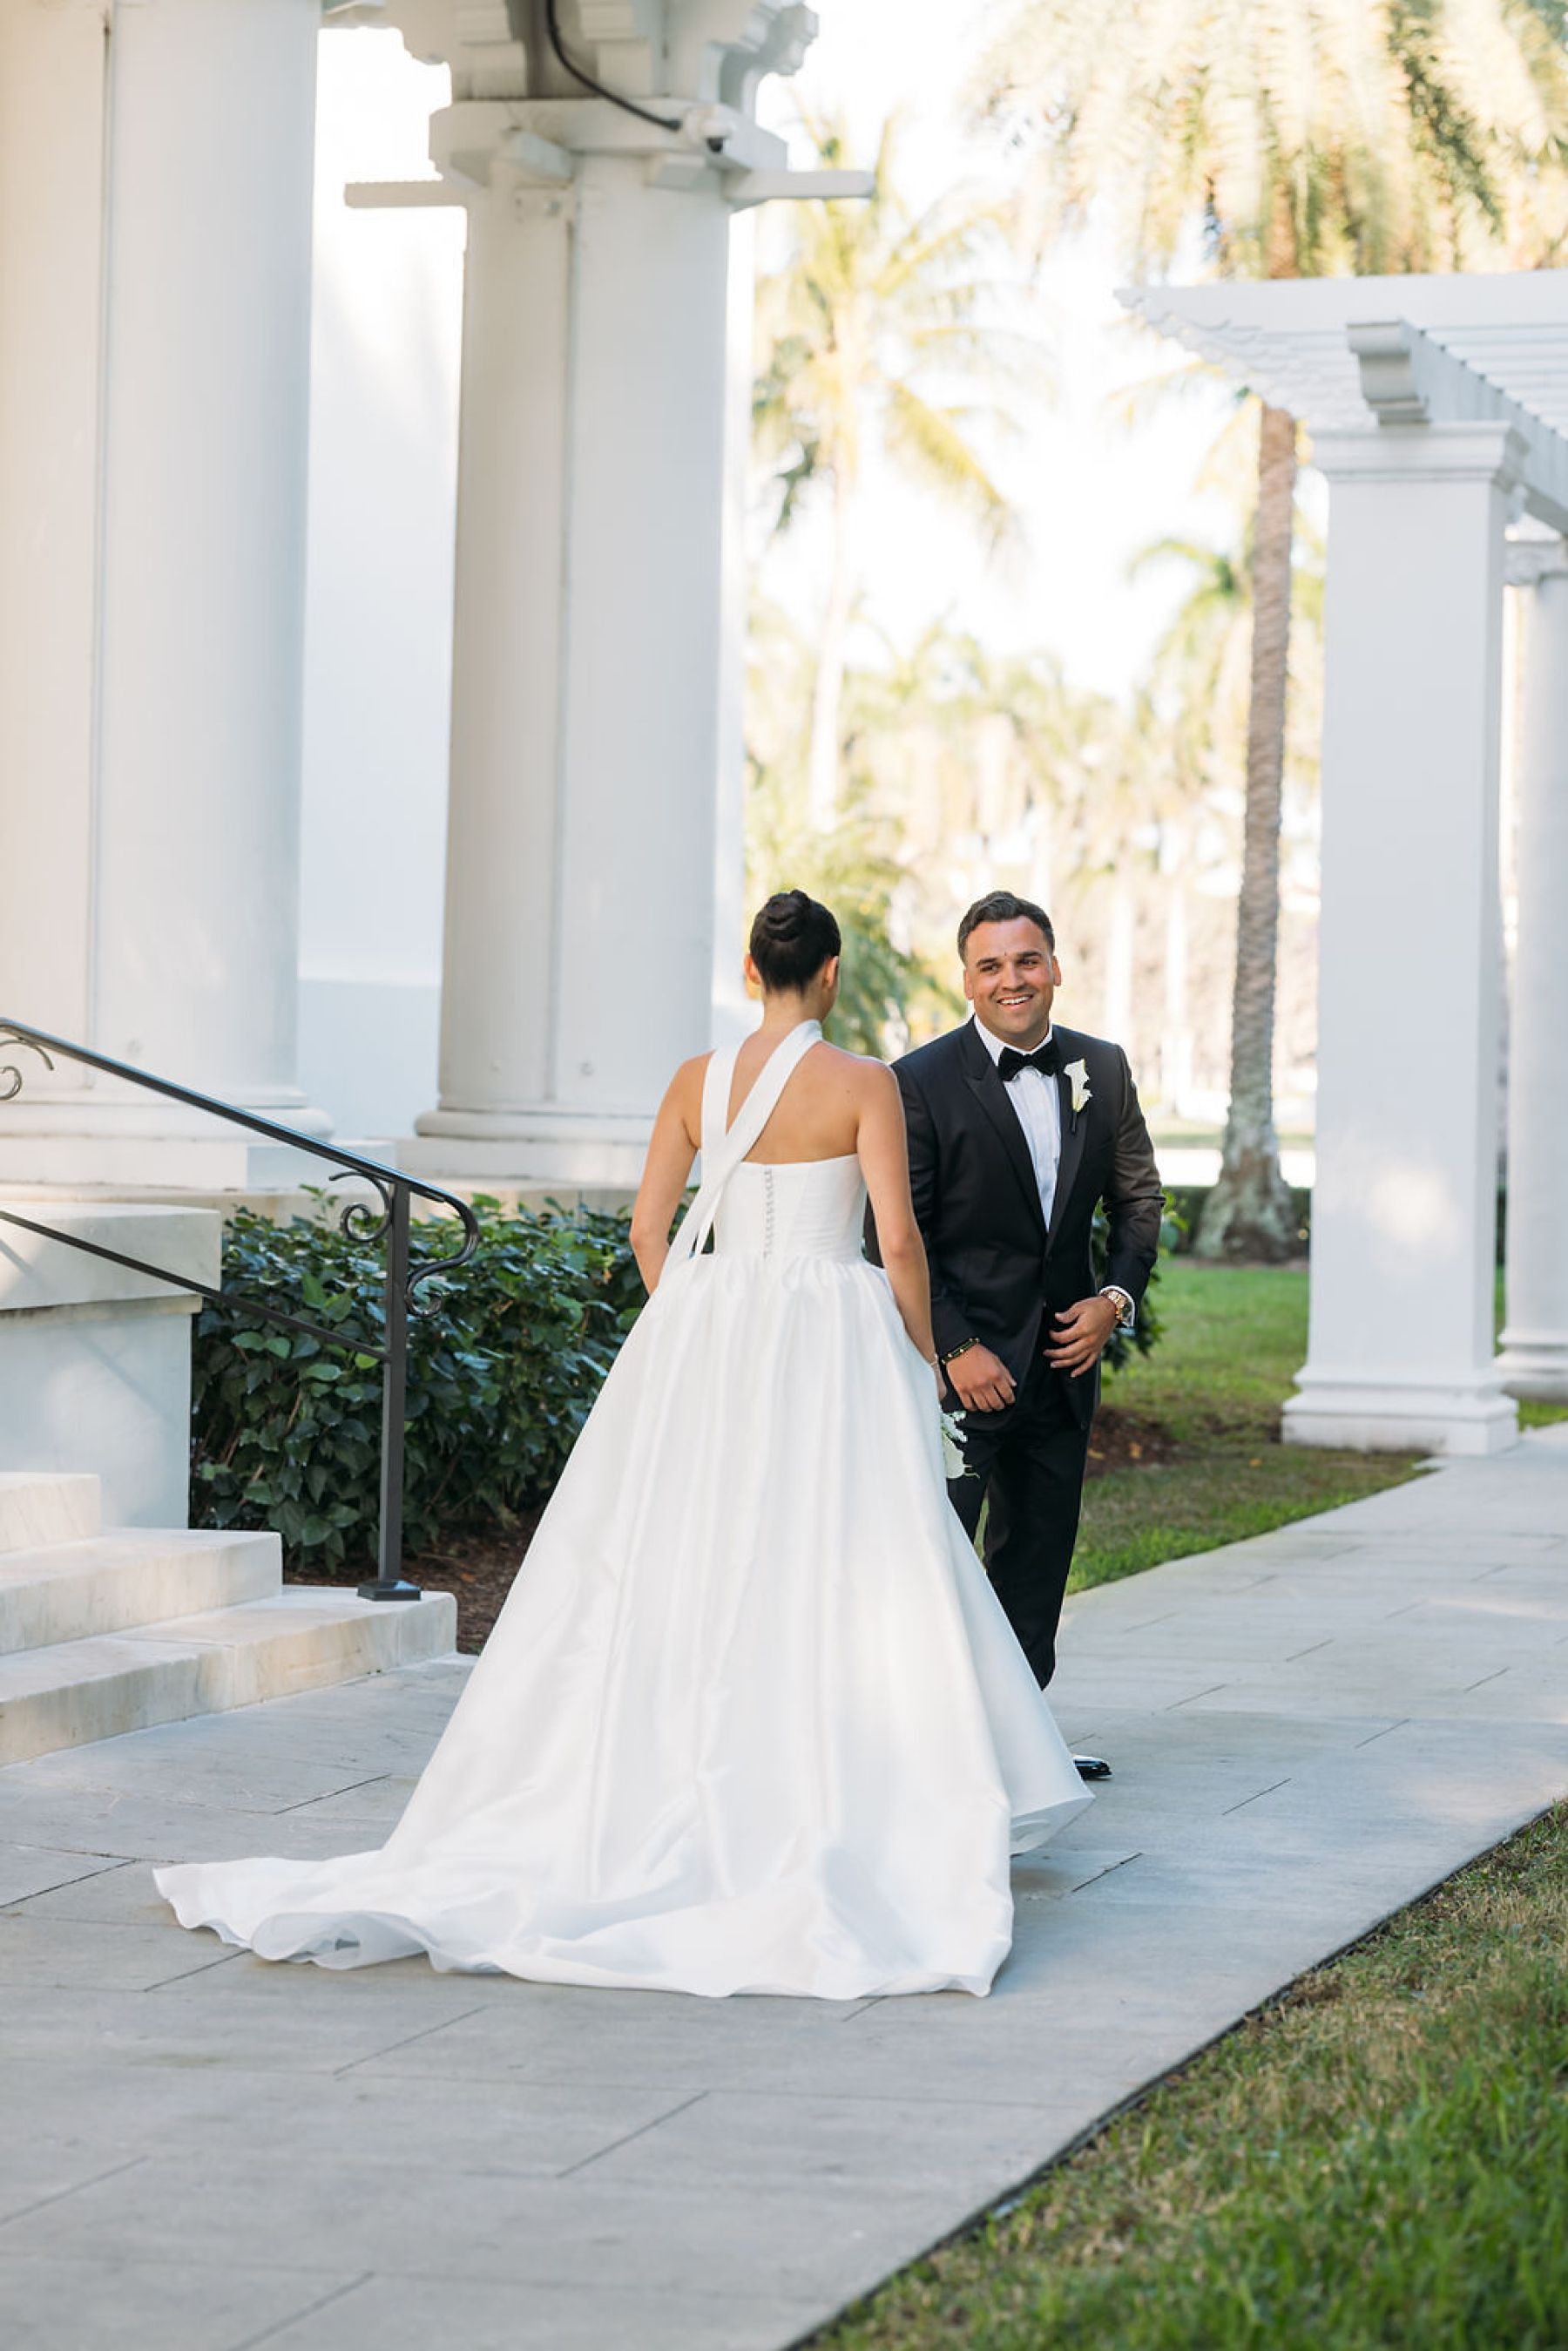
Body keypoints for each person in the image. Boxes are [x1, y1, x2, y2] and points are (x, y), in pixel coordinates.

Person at [154, 891, 1090, 1999]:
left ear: (751, 972)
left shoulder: (695, 1082)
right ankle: (838, 1780)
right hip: (828, 1333)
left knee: (692, 1551)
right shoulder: (864, 1084)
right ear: (832, 975)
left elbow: (651, 1230)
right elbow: (897, 1238)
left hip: (713, 1329)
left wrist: (700, 1320)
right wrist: (925, 1350)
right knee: (841, 1548)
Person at [871, 891, 1164, 1771]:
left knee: (1036, 1567)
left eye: (1027, 960)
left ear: (1056, 968)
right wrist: (953, 1347)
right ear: (966, 980)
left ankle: (1020, 1753)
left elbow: (1139, 1199)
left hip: (1064, 1369)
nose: (1012, 980)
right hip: (957, 1373)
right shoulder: (916, 1081)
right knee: (932, 1562)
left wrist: (1115, 1299)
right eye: (991, 965)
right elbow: (896, 1232)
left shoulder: (1103, 1068)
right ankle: (918, 1752)